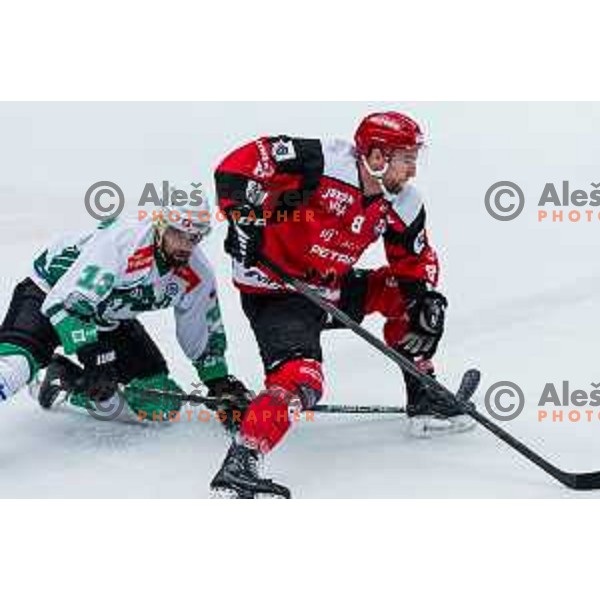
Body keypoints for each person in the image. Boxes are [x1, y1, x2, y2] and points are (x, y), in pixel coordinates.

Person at [210, 111, 471, 499]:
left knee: (413, 300)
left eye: (416, 157)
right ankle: (241, 462)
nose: (414, 169)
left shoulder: (403, 202)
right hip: (277, 289)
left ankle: (424, 395)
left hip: (327, 284)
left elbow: (414, 264)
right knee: (303, 379)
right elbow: (238, 166)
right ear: (378, 157)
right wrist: (243, 219)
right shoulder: (321, 162)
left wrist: (425, 302)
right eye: (407, 157)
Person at [0, 192, 250, 423]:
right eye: (178, 233)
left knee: (158, 402)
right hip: (47, 293)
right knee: (14, 367)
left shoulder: (197, 275)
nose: (186, 245)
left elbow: (202, 329)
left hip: (108, 315)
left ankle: (65, 382)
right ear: (160, 225)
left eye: (194, 237)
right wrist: (91, 352)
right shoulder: (122, 244)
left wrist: (218, 382)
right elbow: (65, 303)